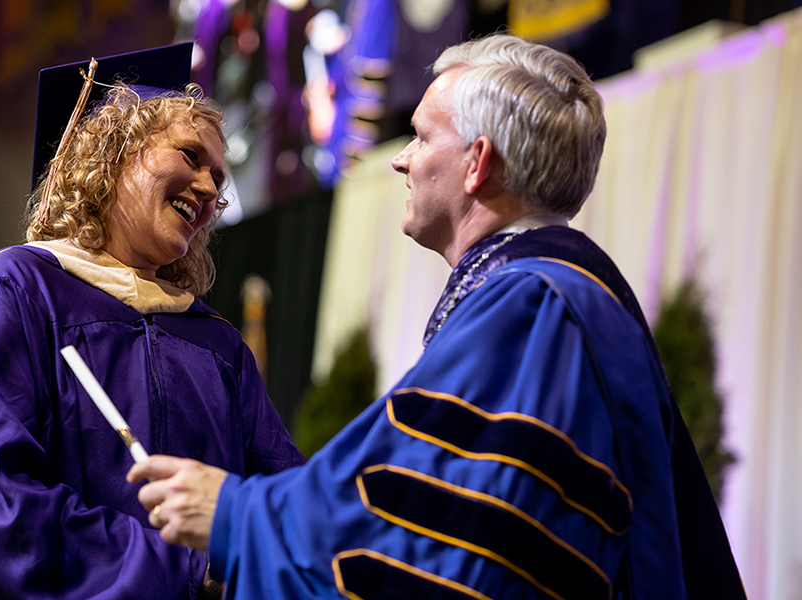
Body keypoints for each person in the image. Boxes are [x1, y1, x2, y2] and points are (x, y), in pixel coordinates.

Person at [127, 34, 747, 599]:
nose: (400, 160)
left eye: (421, 137)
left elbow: (456, 544)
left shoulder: (534, 309)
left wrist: (235, 516)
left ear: (477, 162)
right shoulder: (552, 297)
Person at [0, 44, 304, 600]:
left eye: (218, 177)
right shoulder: (16, 293)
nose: (208, 187)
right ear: (115, 150)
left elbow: (283, 511)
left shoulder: (218, 347)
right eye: (190, 156)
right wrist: (189, 572)